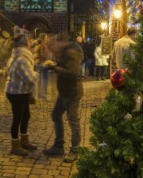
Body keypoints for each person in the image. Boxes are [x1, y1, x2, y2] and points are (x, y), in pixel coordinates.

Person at [43, 33, 84, 163]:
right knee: (56, 115)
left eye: (52, 46)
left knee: (73, 121)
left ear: (59, 42)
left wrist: (54, 67)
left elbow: (72, 73)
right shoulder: (64, 52)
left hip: (72, 92)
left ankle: (75, 150)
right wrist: (55, 63)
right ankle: (58, 146)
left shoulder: (71, 52)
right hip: (64, 92)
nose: (51, 49)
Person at [5, 26, 39, 156]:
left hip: (19, 91)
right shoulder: (22, 59)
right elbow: (30, 79)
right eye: (29, 41)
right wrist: (36, 74)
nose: (31, 43)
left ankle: (24, 141)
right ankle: (15, 145)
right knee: (18, 118)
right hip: (16, 92)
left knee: (26, 116)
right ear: (25, 44)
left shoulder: (18, 55)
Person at [35, 33, 54, 100]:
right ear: (43, 38)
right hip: (41, 64)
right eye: (46, 38)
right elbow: (39, 55)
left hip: (43, 64)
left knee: (43, 80)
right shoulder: (40, 46)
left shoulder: (43, 45)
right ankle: (42, 95)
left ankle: (41, 94)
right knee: (42, 80)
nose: (47, 39)